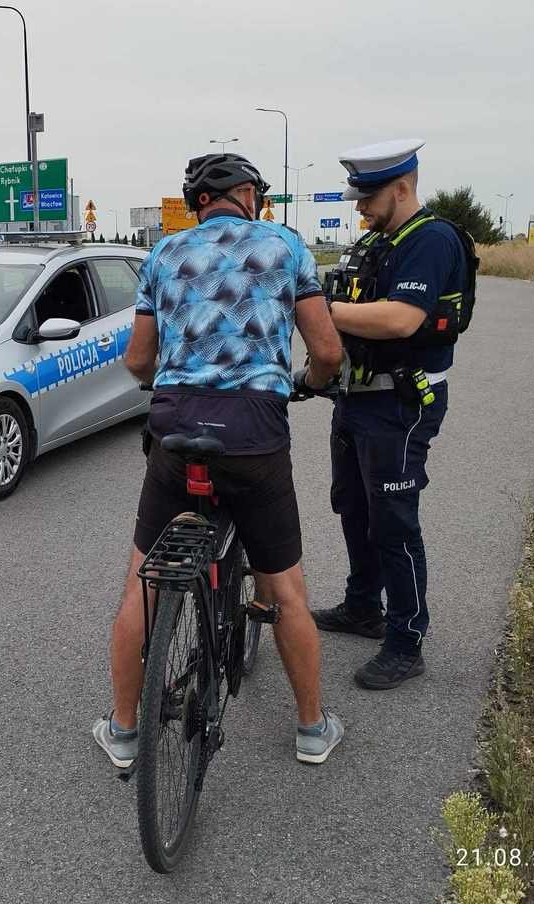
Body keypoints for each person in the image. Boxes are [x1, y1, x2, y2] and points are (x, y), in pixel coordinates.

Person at [93, 153, 345, 768]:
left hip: (177, 432)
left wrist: (165, 380)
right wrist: (308, 381)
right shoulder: (286, 247)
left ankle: (124, 732)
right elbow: (328, 349)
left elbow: (137, 361)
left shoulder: (162, 255)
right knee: (284, 589)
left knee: (141, 587)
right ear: (246, 196)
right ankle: (313, 728)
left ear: (199, 202)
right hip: (255, 435)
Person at [310, 139, 473, 690]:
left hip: (400, 405)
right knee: (353, 508)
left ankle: (406, 638)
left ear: (401, 188)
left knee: (393, 520)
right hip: (356, 398)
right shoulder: (379, 242)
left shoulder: (430, 240)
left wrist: (321, 312)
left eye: (367, 196)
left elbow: (403, 319)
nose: (359, 207)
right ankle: (363, 607)